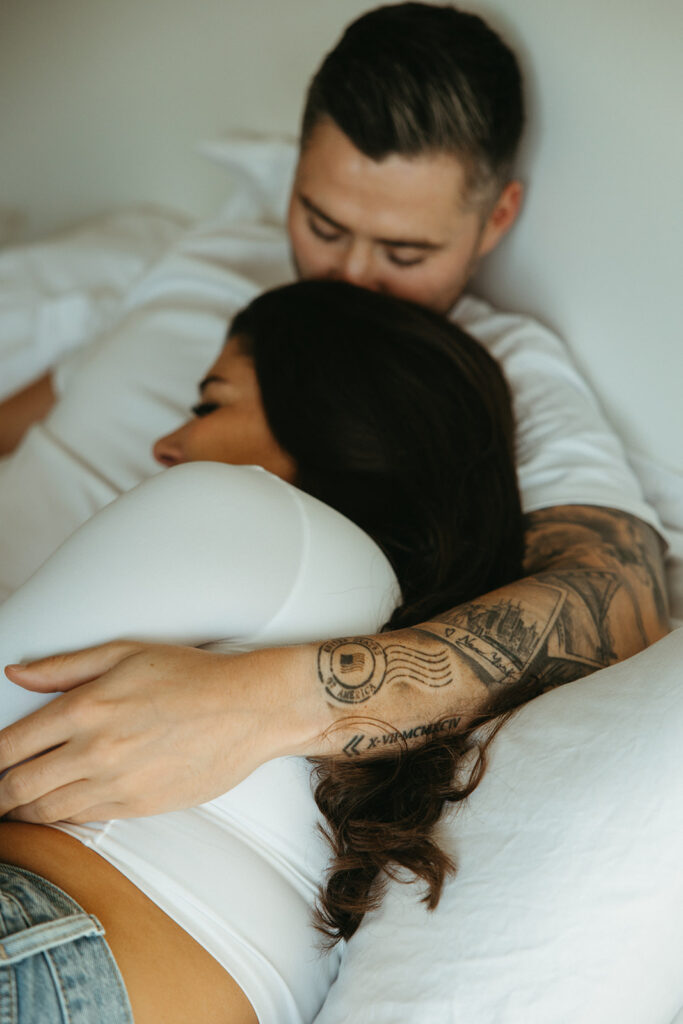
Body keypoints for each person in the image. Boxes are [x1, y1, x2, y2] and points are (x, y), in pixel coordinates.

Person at [0, 1, 668, 833]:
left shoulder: (494, 371)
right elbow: (31, 419)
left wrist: (269, 702)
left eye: (404, 253)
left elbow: (624, 598)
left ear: (494, 219)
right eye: (321, 225)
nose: (347, 279)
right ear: (293, 179)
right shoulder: (208, 254)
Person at [0, 279, 524, 1023]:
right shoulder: (417, 671)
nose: (164, 444)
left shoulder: (255, 513)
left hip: (45, 947)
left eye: (211, 402)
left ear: (323, 410)